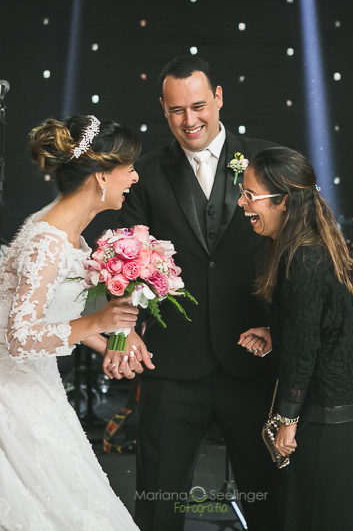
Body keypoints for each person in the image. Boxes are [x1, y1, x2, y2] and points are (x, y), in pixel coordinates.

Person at [0, 115, 143, 531]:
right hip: (0, 391)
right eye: (130, 168)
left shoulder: (70, 233)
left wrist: (111, 343)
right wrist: (99, 321)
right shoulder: (46, 241)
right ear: (102, 176)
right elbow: (21, 338)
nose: (136, 177)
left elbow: (56, 313)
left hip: (33, 383)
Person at [112, 56, 285, 530]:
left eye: (199, 106)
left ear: (220, 98)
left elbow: (298, 253)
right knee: (158, 503)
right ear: (163, 110)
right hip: (172, 365)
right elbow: (125, 266)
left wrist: (280, 326)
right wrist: (122, 334)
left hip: (253, 360)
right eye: (176, 111)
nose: (190, 121)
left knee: (271, 502)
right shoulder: (142, 174)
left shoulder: (267, 162)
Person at [237, 147, 353, 530]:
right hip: (346, 402)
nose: (242, 202)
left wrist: (287, 418)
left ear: (283, 201)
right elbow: (324, 321)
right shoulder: (309, 245)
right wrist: (277, 331)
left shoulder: (302, 257)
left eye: (250, 194)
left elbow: (305, 349)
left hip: (331, 410)